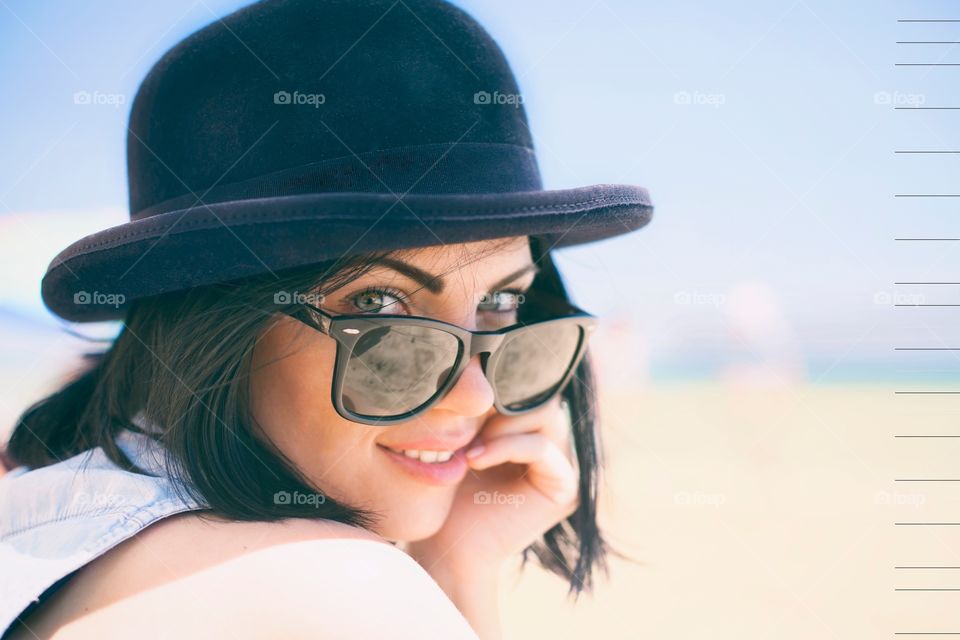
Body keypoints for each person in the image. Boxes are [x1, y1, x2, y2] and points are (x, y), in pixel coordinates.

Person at [0, 0, 654, 638]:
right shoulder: (333, 590)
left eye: (503, 303)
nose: (476, 394)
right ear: (213, 327)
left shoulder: (47, 519)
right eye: (378, 305)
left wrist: (456, 565)